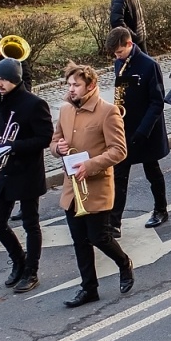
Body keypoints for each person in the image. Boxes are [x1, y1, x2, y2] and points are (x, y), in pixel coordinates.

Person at [51, 61, 134, 306]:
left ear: (91, 85)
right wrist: (58, 148)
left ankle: (124, 263)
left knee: (99, 237)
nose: (72, 89)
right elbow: (55, 139)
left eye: (76, 85)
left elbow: (119, 150)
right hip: (72, 187)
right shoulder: (66, 109)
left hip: (95, 186)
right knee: (79, 241)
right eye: (69, 84)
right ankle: (89, 288)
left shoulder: (108, 111)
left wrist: (90, 165)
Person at [0, 57, 53, 293]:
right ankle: (19, 259)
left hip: (27, 172)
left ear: (15, 80)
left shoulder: (34, 104)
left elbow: (44, 138)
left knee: (31, 223)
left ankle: (31, 270)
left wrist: (15, 145)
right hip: (3, 171)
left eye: (4, 80)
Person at [108, 26, 169, 235]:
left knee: (152, 170)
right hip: (125, 127)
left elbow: (157, 102)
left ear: (129, 44)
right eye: (115, 54)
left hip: (146, 129)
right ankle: (114, 222)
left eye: (119, 52)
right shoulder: (119, 63)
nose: (117, 57)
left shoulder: (149, 65)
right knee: (119, 174)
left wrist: (143, 131)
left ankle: (161, 209)